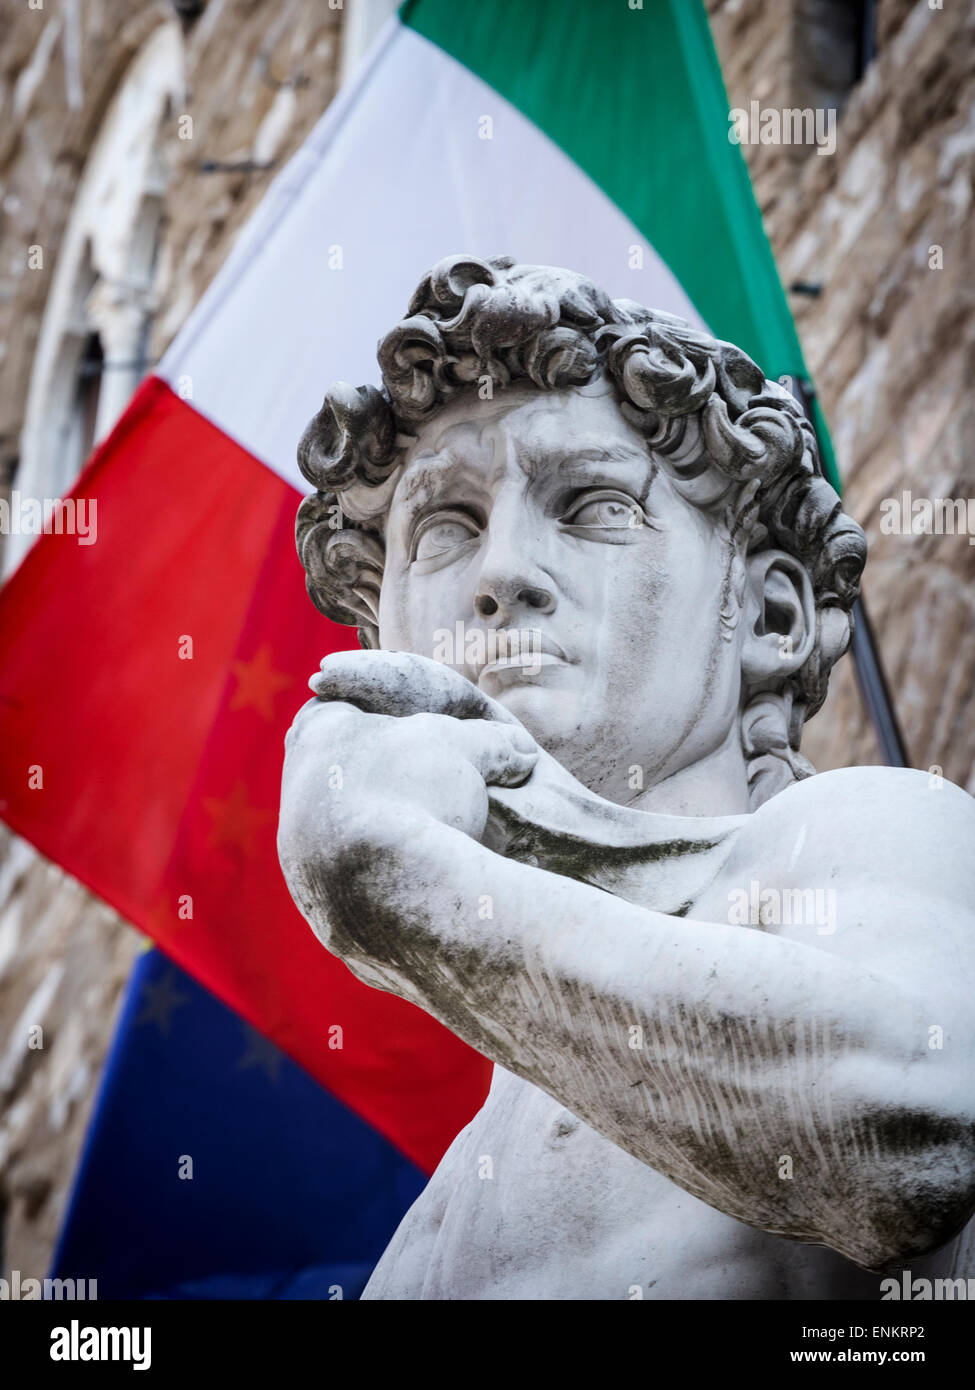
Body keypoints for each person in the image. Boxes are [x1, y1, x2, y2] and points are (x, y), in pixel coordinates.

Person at [278, 255, 975, 1299]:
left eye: (593, 505)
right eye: (446, 528)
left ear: (772, 615)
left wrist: (421, 897)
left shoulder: (854, 837)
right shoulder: (422, 1244)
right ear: (386, 636)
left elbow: (909, 1138)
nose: (501, 571)